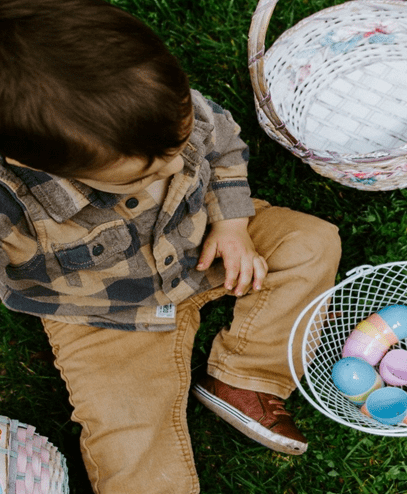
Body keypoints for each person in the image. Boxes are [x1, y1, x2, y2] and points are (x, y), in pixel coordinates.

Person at [0, 1, 342, 492]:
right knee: (131, 441)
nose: (172, 167)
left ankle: (247, 375)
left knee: (309, 243)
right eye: (145, 173)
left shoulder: (163, 108)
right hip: (104, 313)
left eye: (180, 148)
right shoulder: (11, 200)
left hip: (204, 243)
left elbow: (222, 145)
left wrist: (233, 225)